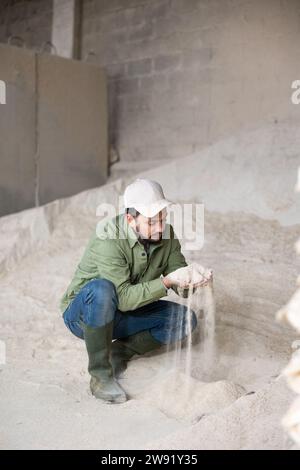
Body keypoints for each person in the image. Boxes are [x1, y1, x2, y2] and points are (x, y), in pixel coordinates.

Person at [60, 178, 210, 404]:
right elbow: (123, 299)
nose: (160, 228)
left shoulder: (166, 234)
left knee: (185, 320)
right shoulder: (107, 237)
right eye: (152, 222)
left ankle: (118, 352)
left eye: (162, 219)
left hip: (124, 312)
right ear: (131, 220)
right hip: (86, 315)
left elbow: (179, 280)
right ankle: (100, 375)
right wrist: (168, 282)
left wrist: (191, 278)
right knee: (102, 289)